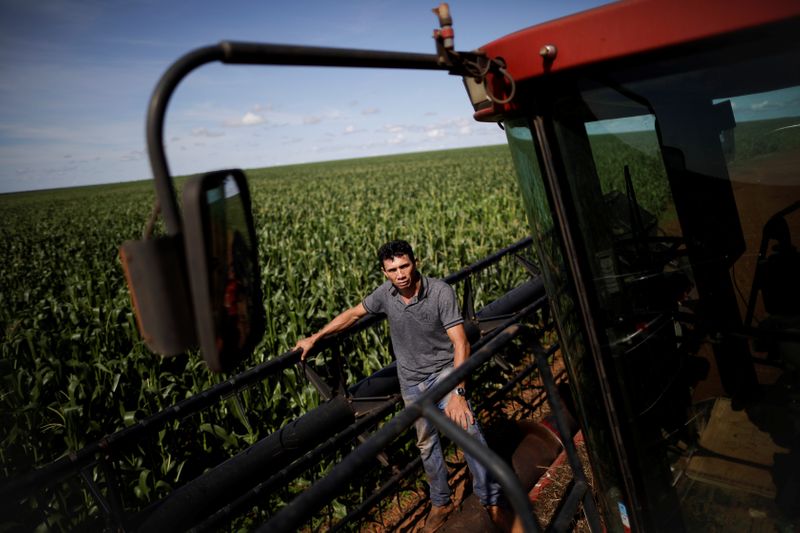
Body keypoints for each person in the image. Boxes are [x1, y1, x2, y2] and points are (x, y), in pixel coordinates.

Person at [294, 240, 510, 532]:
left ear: (415, 262)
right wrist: (315, 338)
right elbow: (353, 314)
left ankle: (492, 501)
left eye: (404, 266)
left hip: (444, 374)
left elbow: (461, 343)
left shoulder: (440, 292)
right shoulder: (386, 295)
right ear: (385, 273)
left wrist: (459, 392)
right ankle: (441, 502)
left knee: (468, 429)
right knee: (426, 444)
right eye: (392, 270)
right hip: (411, 383)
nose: (400, 274)